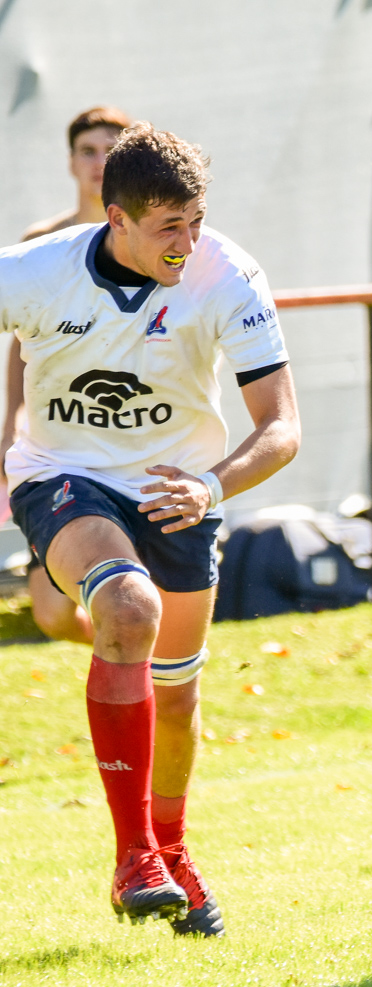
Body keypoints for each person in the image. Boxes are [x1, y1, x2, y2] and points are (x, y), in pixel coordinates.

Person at [0, 124, 302, 934]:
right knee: (128, 609)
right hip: (64, 478)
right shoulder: (33, 272)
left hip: (181, 492)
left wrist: (211, 486)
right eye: (170, 226)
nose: (189, 241)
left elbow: (281, 427)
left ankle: (171, 847)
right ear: (116, 218)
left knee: (178, 695)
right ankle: (133, 854)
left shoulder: (227, 275)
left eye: (196, 219)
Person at [4, 106, 130, 646]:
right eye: (87, 150)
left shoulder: (150, 241)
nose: (99, 162)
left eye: (111, 150)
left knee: (137, 598)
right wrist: (11, 421)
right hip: (57, 445)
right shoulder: (42, 242)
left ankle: (138, 648)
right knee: (54, 615)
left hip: (135, 442)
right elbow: (19, 350)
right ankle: (126, 645)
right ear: (71, 161)